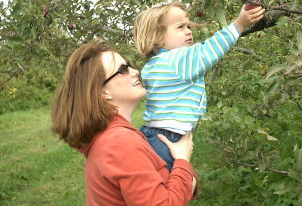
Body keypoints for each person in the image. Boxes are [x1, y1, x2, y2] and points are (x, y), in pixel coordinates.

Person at [51, 43, 198, 206]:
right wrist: (182, 162)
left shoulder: (110, 138)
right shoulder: (120, 144)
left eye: (129, 66)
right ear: (103, 92)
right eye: (122, 70)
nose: (135, 72)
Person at [133, 2, 265, 171]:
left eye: (188, 26)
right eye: (180, 27)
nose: (188, 31)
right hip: (168, 139)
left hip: (156, 136)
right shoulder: (177, 60)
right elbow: (209, 50)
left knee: (158, 185)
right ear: (157, 38)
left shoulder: (154, 64)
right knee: (171, 187)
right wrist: (239, 25)